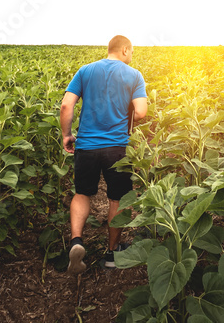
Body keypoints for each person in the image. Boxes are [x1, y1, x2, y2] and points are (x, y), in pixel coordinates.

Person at [60, 35, 148, 275]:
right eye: (131, 53)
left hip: (86, 145)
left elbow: (67, 105)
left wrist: (67, 135)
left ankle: (76, 241)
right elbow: (140, 112)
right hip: (117, 147)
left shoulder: (85, 71)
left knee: (82, 193)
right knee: (118, 198)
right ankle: (112, 253)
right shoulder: (134, 75)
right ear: (125, 50)